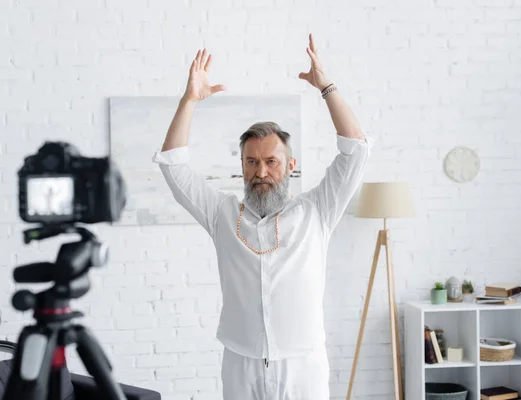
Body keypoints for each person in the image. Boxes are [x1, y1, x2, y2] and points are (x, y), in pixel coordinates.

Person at [152, 33, 371, 400]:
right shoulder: (222, 214)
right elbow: (174, 167)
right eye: (252, 162)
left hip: (303, 364)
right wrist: (189, 100)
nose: (262, 171)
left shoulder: (316, 210)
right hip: (241, 363)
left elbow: (356, 152)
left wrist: (326, 86)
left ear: (290, 166)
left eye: (272, 162)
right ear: (241, 166)